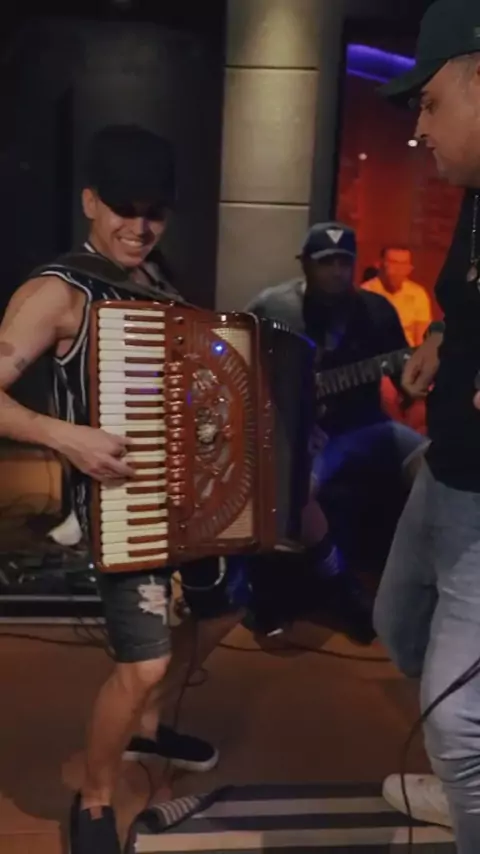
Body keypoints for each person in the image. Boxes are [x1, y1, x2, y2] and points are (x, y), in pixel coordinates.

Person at [0, 124, 247, 854]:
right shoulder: (58, 290)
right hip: (120, 508)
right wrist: (65, 435)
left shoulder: (158, 281)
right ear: (89, 202)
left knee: (227, 606)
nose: (139, 227)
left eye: (154, 212)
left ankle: (147, 725)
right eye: (123, 209)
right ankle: (96, 797)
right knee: (143, 662)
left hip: (188, 497)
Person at [372, 2, 480, 851]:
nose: (420, 125)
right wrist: (442, 336)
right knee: (396, 625)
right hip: (446, 469)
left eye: (431, 102)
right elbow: (459, 299)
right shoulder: (475, 197)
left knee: (454, 720)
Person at [246, 223, 427, 583]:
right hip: (305, 435)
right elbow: (234, 358)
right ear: (304, 263)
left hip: (369, 426)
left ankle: (418, 576)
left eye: (344, 262)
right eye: (326, 262)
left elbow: (405, 381)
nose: (336, 272)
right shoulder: (272, 305)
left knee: (434, 465)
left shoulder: (377, 310)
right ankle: (336, 578)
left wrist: (419, 387)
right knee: (295, 496)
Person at [362, 246, 432, 348]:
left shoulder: (418, 294)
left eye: (403, 264)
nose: (398, 269)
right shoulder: (365, 293)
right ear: (380, 265)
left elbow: (421, 338)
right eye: (393, 263)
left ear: (410, 268)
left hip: (407, 354)